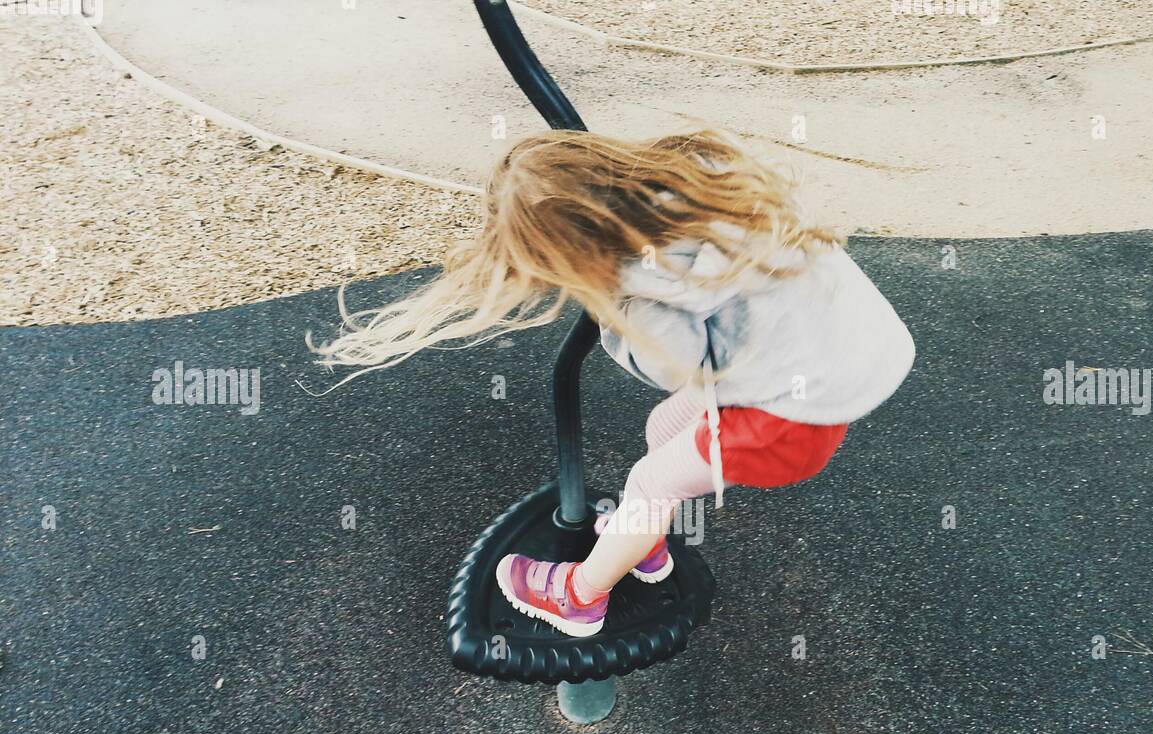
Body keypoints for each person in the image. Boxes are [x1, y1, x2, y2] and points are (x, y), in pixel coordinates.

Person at [312, 129, 915, 637]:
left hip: (789, 418)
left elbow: (675, 368)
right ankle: (641, 540)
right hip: (835, 352)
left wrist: (612, 313)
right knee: (664, 430)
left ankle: (580, 595)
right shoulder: (694, 186)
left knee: (650, 482)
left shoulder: (650, 290)